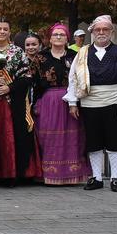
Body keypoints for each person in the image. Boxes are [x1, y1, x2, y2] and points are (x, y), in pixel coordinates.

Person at [65, 15, 117, 192]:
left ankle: (115, 178)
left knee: (114, 139)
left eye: (105, 29)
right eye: (98, 30)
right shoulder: (83, 52)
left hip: (114, 102)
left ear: (112, 32)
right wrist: (72, 102)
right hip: (89, 103)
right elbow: (74, 79)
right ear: (92, 32)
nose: (101, 33)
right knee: (93, 141)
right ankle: (97, 177)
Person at [0, 18, 41, 185]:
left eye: (5, 29)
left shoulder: (18, 52)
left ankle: (12, 174)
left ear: (9, 32)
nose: (1, 32)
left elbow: (26, 77)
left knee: (13, 137)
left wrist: (10, 87)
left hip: (13, 102)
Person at [32, 24, 89, 185]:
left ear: (67, 38)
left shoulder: (75, 56)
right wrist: (35, 103)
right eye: (55, 34)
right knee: (48, 136)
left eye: (62, 35)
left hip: (70, 99)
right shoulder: (40, 57)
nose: (58, 37)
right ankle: (49, 174)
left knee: (73, 136)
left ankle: (72, 174)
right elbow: (33, 81)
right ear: (50, 38)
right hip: (48, 100)